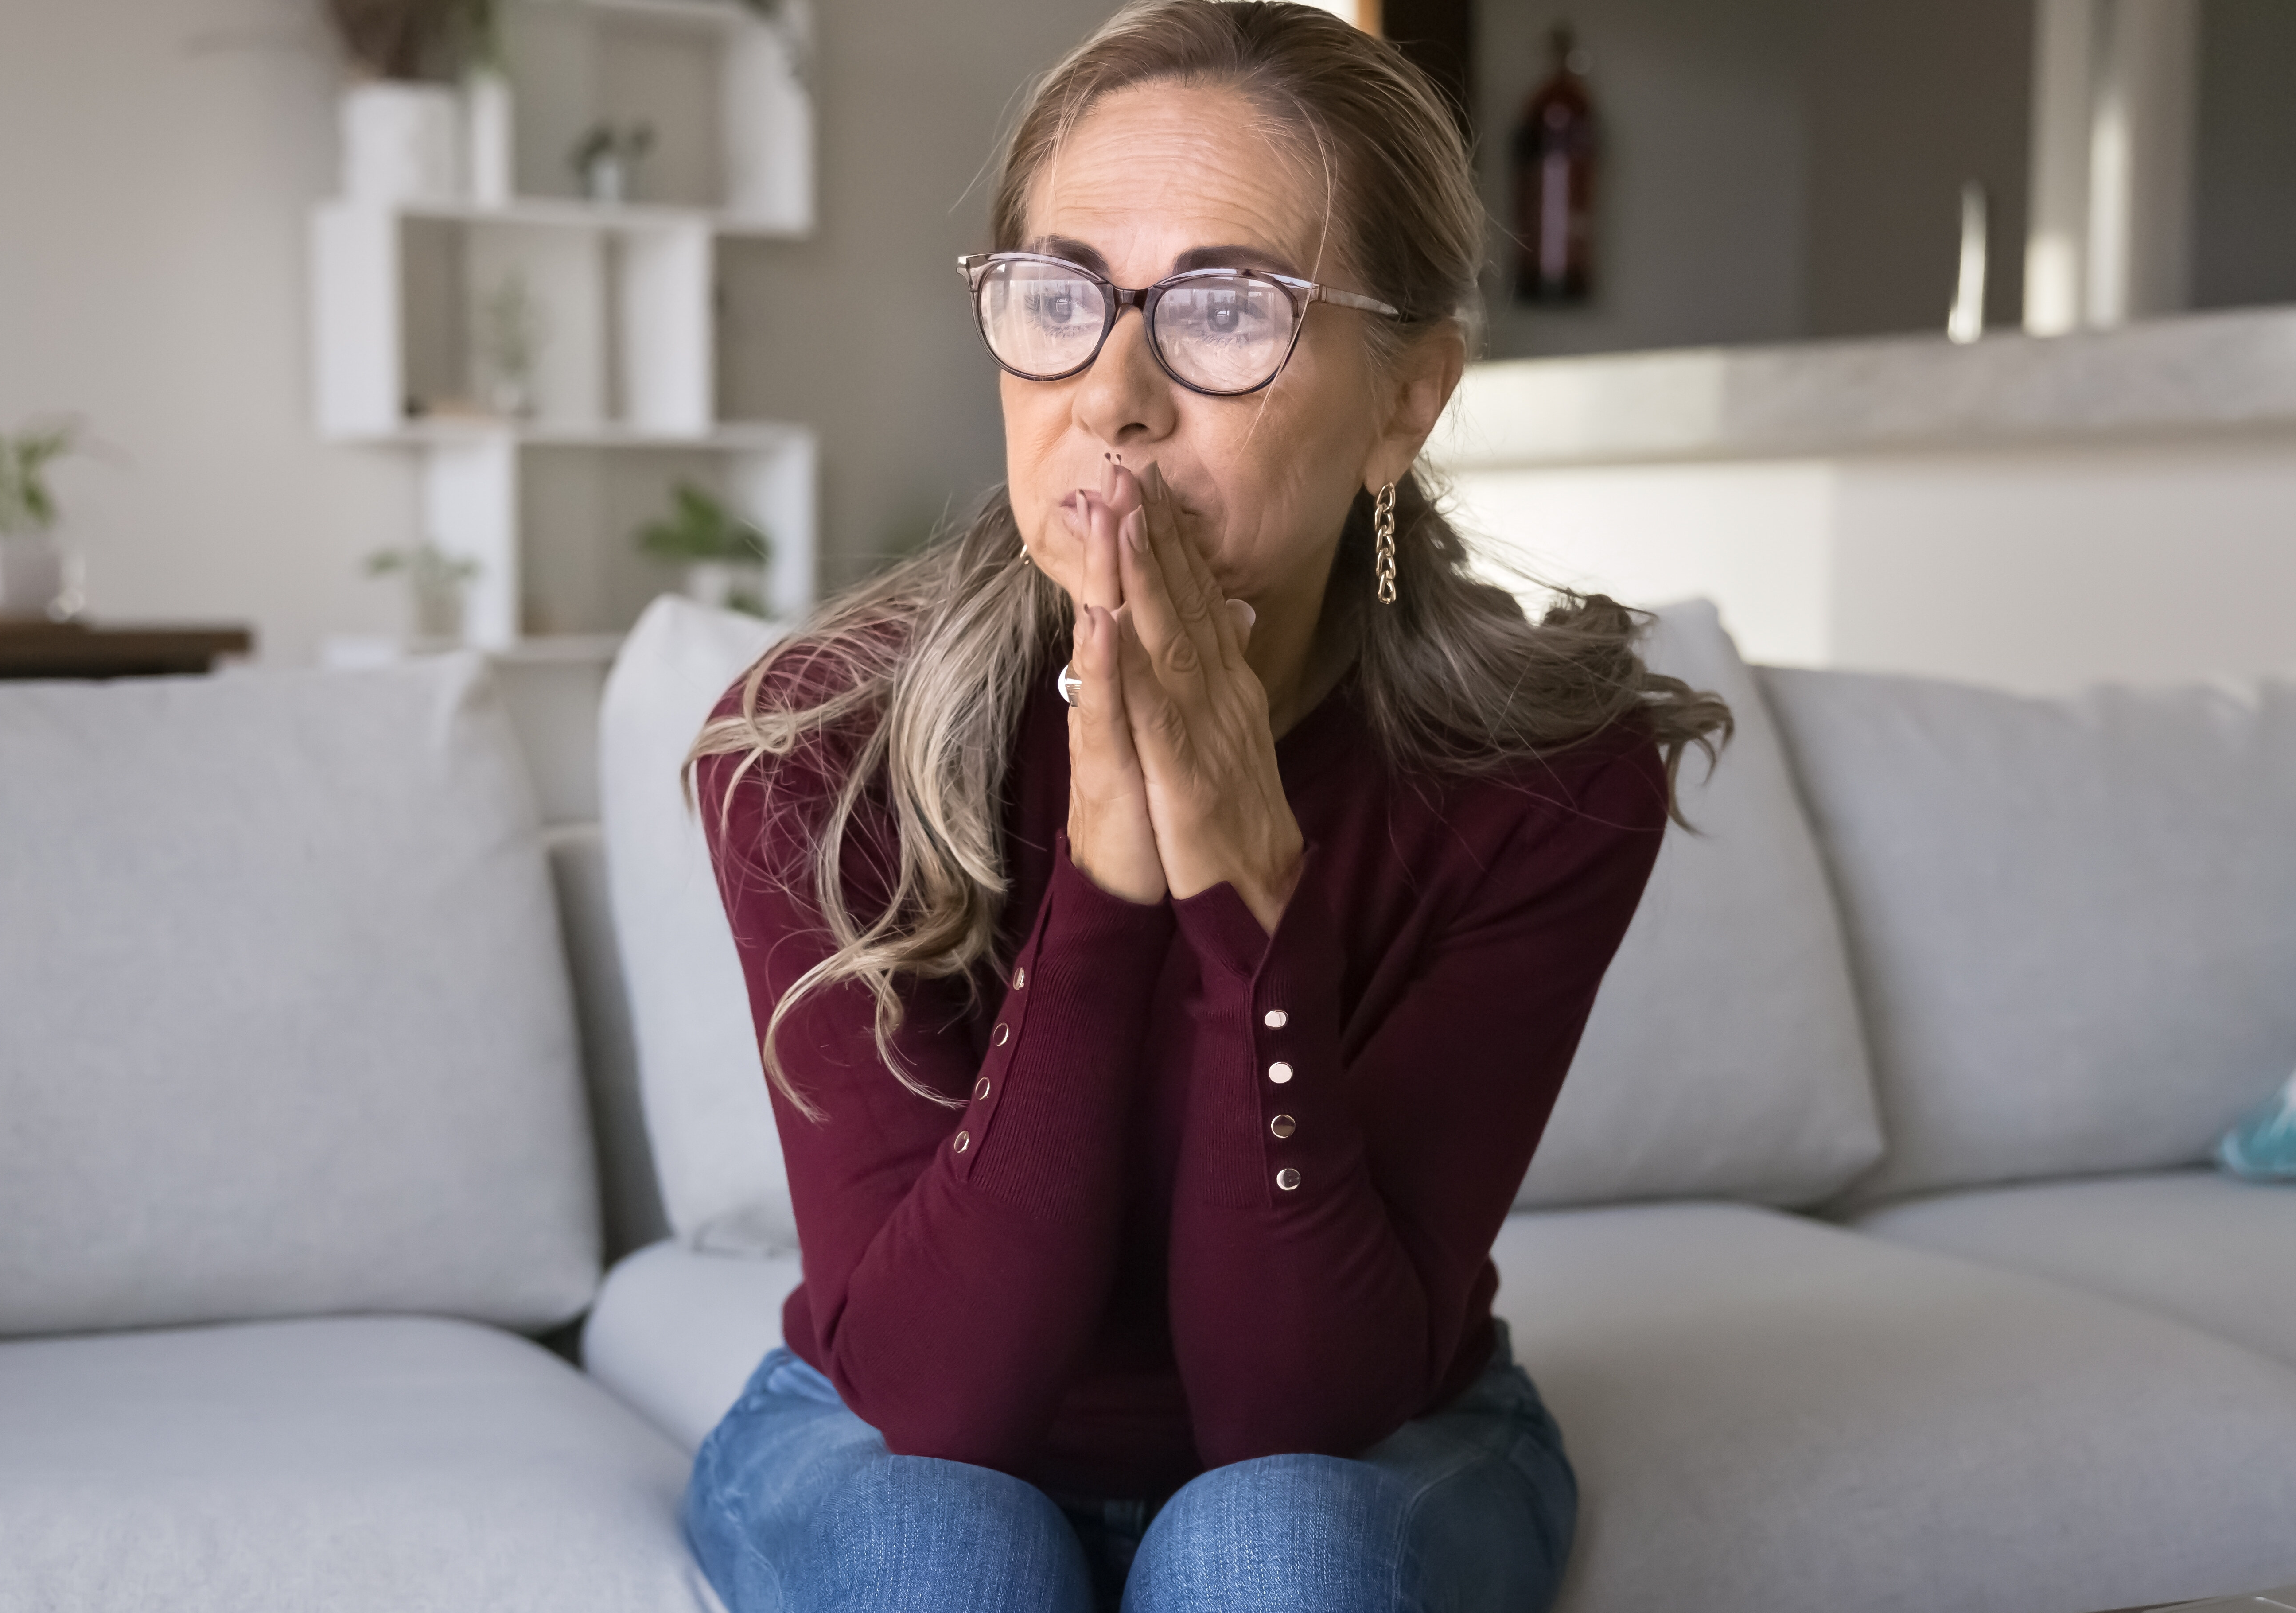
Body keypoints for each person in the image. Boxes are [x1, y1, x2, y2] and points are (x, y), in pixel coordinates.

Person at [680, 4, 1729, 1608]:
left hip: (1376, 1438)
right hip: (879, 1424)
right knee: (940, 1552)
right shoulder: (811, 750)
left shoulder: (1552, 779)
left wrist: (1251, 908)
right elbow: (942, 1401)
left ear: (1407, 401)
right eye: (1061, 297)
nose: (1111, 395)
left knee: (1272, 1544)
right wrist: (1108, 887)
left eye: (1224, 310)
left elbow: (1289, 1412)